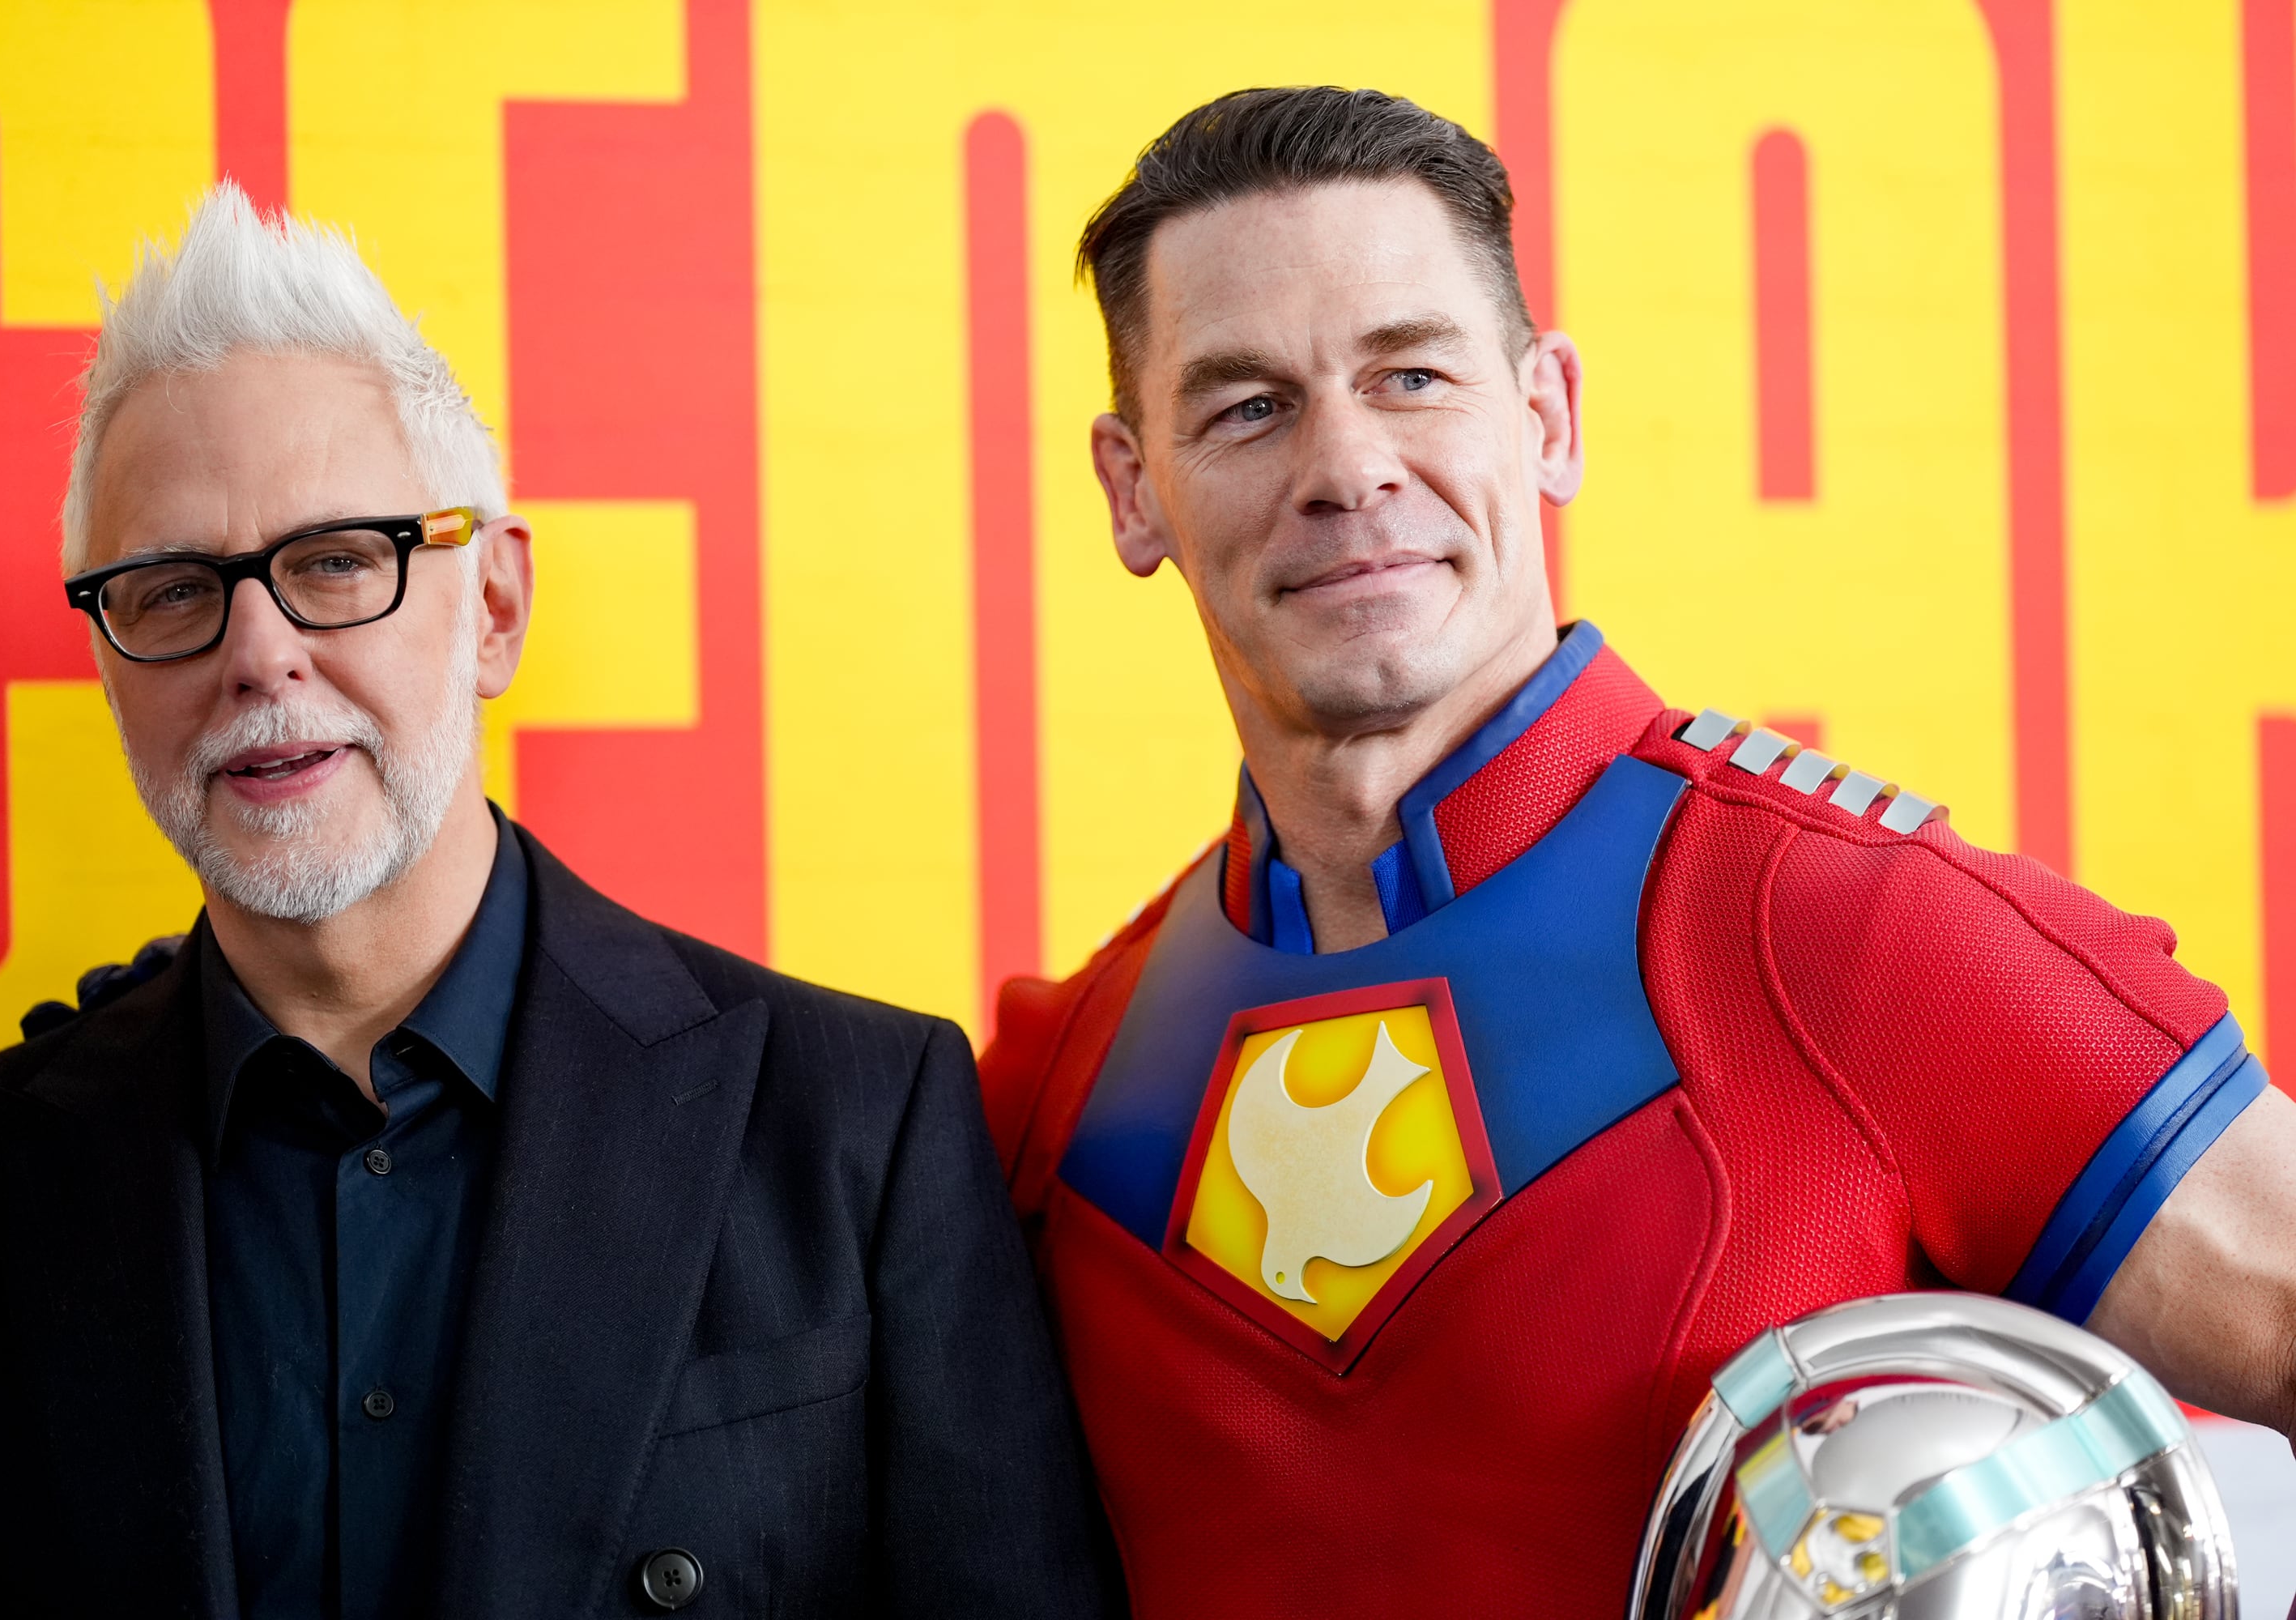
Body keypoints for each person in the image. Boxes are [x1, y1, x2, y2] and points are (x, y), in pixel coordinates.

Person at [978, 87, 2296, 1614]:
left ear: (1547, 417)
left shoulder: (1849, 932)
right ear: (1134, 487)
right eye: (1247, 406)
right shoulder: (1051, 1092)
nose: (1345, 469)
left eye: (1411, 375)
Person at [0, 184, 1111, 1620]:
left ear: (497, 609)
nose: (260, 655)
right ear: (107, 659)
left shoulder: (857, 1127)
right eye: (169, 590)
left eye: (339, 561)